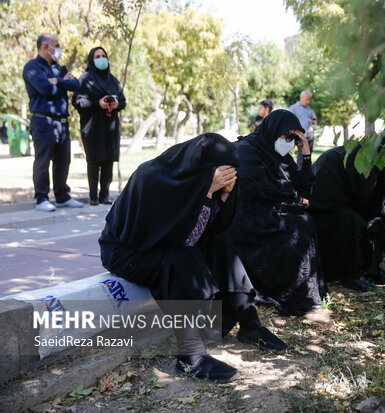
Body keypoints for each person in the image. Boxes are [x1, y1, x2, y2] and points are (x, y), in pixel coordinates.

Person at [99, 133, 286, 383]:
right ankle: (190, 356)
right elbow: (181, 239)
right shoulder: (152, 177)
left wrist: (224, 196)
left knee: (222, 247)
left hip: (169, 243)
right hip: (127, 251)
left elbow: (211, 231)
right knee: (179, 259)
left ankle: (249, 324)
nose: (228, 177)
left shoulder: (198, 181)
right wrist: (206, 190)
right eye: (222, 171)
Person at [228, 109, 326, 316]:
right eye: (287, 135)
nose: (290, 141)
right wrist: (295, 199)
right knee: (299, 224)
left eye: (294, 137)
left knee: (304, 221)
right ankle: (289, 292)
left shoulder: (280, 156)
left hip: (269, 209)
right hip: (247, 217)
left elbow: (303, 187)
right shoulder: (248, 149)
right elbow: (258, 187)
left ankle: (303, 292)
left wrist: (305, 153)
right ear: (273, 129)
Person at [308, 145, 385, 291]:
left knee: (373, 221)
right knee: (351, 222)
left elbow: (363, 193)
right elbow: (324, 201)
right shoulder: (334, 163)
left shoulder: (361, 162)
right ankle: (350, 274)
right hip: (323, 209)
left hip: (343, 203)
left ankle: (371, 269)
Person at [23, 34, 84, 212]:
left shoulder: (57, 69)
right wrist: (64, 83)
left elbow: (76, 85)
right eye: (56, 45)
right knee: (43, 161)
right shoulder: (32, 68)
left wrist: (58, 80)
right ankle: (41, 198)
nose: (59, 49)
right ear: (45, 46)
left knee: (63, 160)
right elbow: (45, 89)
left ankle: (62, 195)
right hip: (43, 121)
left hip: (62, 122)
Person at [72, 47, 126, 205]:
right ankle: (93, 196)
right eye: (97, 56)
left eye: (103, 56)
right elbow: (78, 101)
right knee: (94, 160)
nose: (101, 59)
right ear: (91, 59)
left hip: (110, 127)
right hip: (93, 127)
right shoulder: (85, 79)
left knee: (108, 160)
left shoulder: (113, 80)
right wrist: (97, 104)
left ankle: (105, 195)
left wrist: (116, 104)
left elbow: (123, 101)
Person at [289, 90, 317, 168]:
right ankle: (300, 174)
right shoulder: (293, 108)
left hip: (310, 136)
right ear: (302, 98)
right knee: (301, 157)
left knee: (308, 156)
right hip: (300, 136)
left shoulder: (309, 108)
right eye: (307, 99)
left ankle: (308, 174)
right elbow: (289, 121)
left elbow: (314, 119)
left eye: (309, 100)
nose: (308, 102)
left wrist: (313, 121)